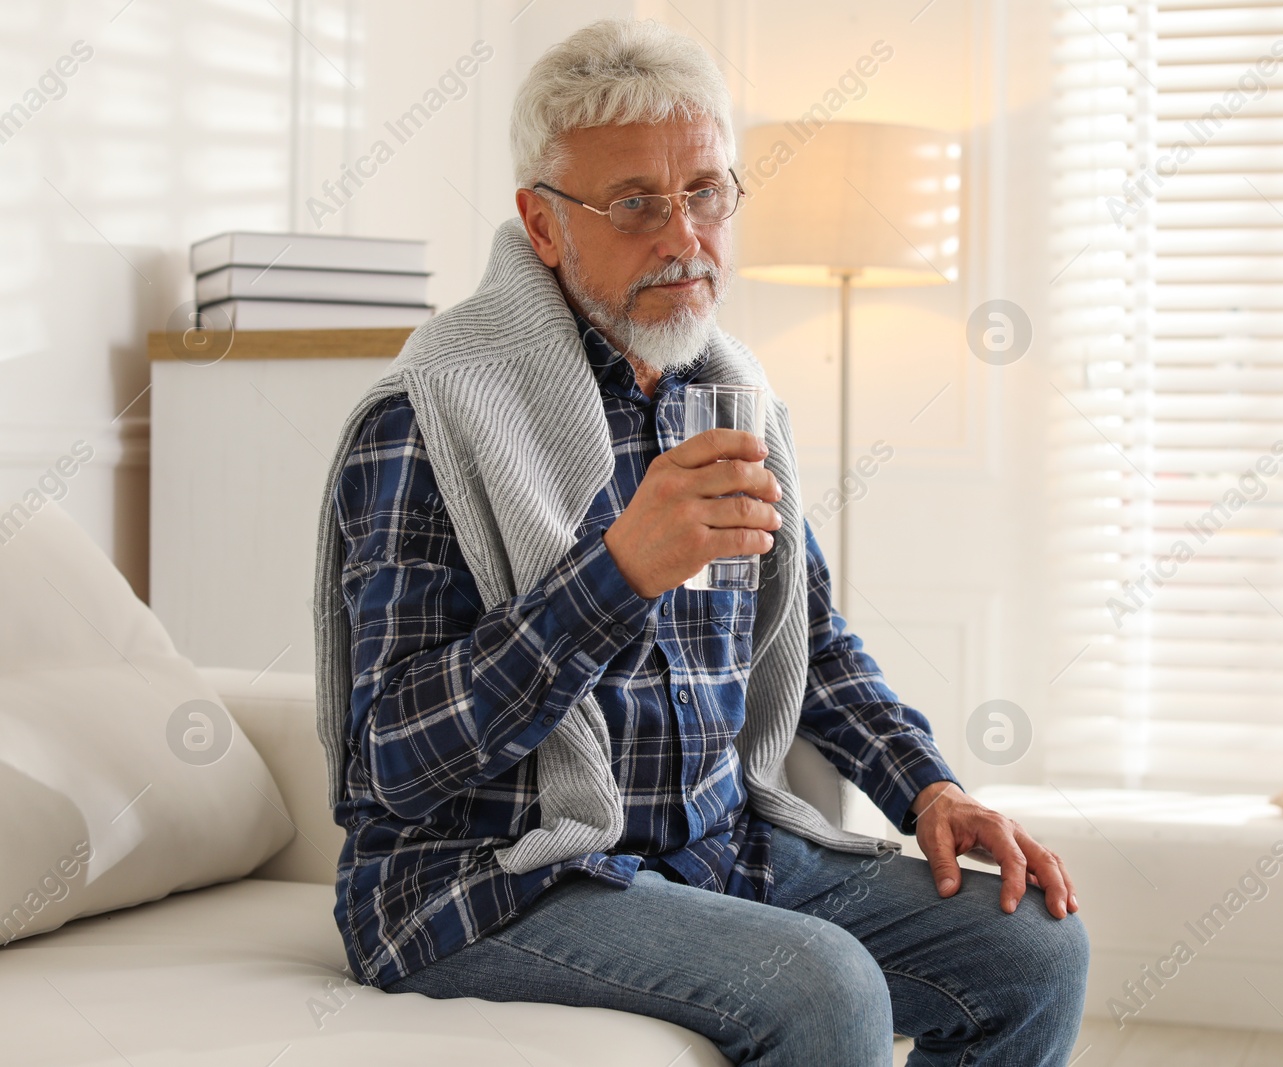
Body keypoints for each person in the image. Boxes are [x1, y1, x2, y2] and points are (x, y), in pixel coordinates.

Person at [310, 17, 1088, 1066]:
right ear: (542, 226)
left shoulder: (729, 394)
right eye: (634, 203)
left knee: (1035, 945)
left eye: (707, 191)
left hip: (707, 850)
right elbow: (389, 765)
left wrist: (931, 788)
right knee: (823, 990)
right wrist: (616, 573)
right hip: (484, 881)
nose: (683, 235)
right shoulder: (429, 416)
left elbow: (810, 642)